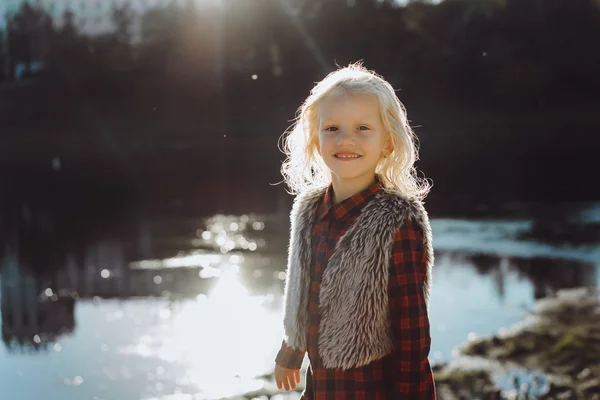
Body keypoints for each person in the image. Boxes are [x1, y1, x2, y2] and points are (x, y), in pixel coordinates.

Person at [273, 62, 436, 399]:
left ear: (387, 143)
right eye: (332, 128)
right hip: (320, 388)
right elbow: (302, 291)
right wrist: (290, 353)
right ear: (316, 140)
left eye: (363, 128)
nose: (346, 140)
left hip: (370, 388)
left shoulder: (397, 220)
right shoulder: (310, 209)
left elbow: (412, 332)